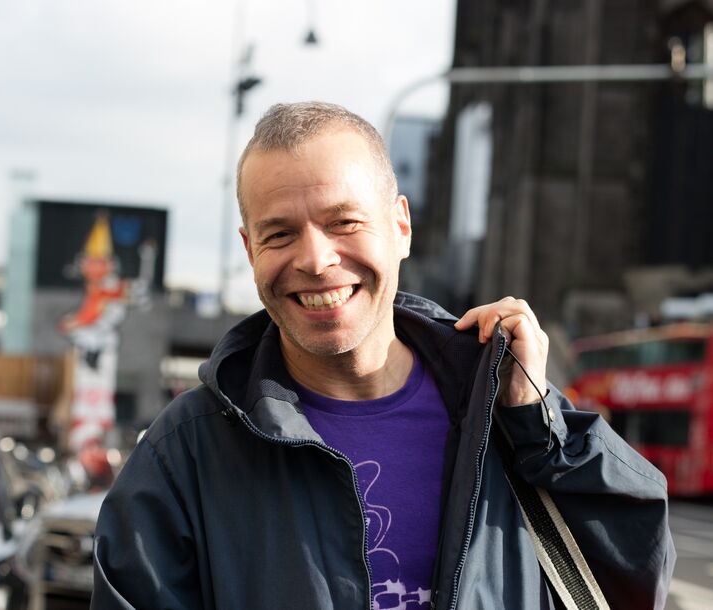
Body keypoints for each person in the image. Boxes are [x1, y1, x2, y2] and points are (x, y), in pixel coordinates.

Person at [92, 102, 675, 609]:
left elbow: (639, 569)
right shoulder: (184, 454)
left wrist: (539, 425)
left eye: (344, 221)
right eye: (279, 234)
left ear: (401, 226)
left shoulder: (501, 413)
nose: (316, 259)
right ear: (249, 250)